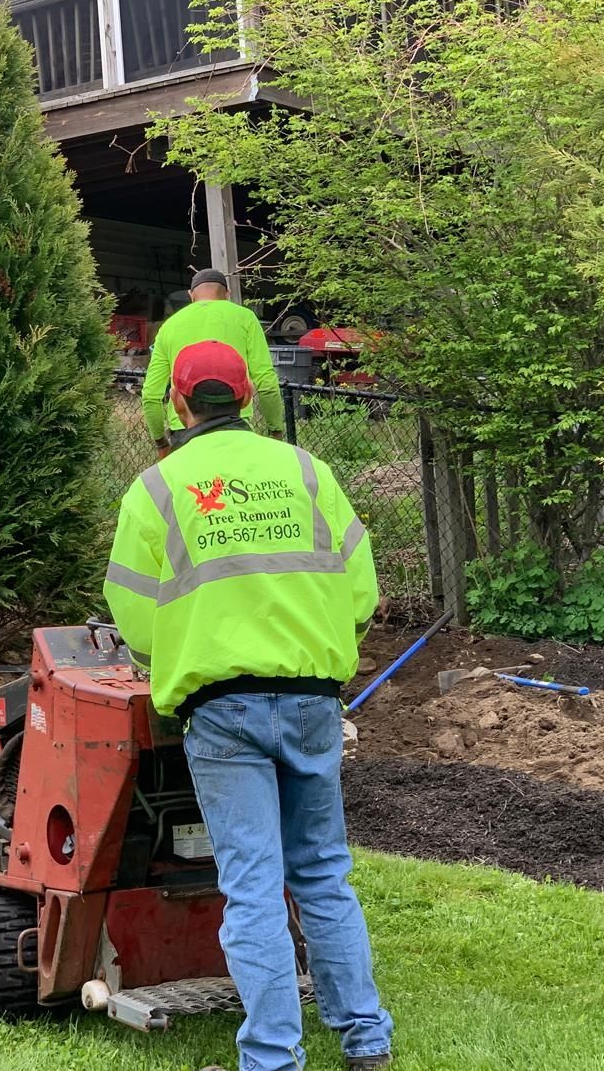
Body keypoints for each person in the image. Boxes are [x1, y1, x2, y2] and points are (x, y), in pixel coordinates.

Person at [105, 340, 392, 1071]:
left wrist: (164, 661)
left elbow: (133, 618)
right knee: (323, 873)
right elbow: (360, 594)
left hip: (220, 712)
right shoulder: (307, 472)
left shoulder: (157, 489)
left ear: (175, 403)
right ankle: (366, 1040)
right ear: (248, 398)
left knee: (254, 887)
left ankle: (272, 1058)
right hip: (312, 703)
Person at [142, 269, 285, 458]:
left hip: (185, 430)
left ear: (191, 295)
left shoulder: (170, 326)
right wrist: (275, 431)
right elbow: (267, 384)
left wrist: (161, 442)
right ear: (227, 294)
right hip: (235, 427)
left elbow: (151, 395)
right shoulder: (245, 318)